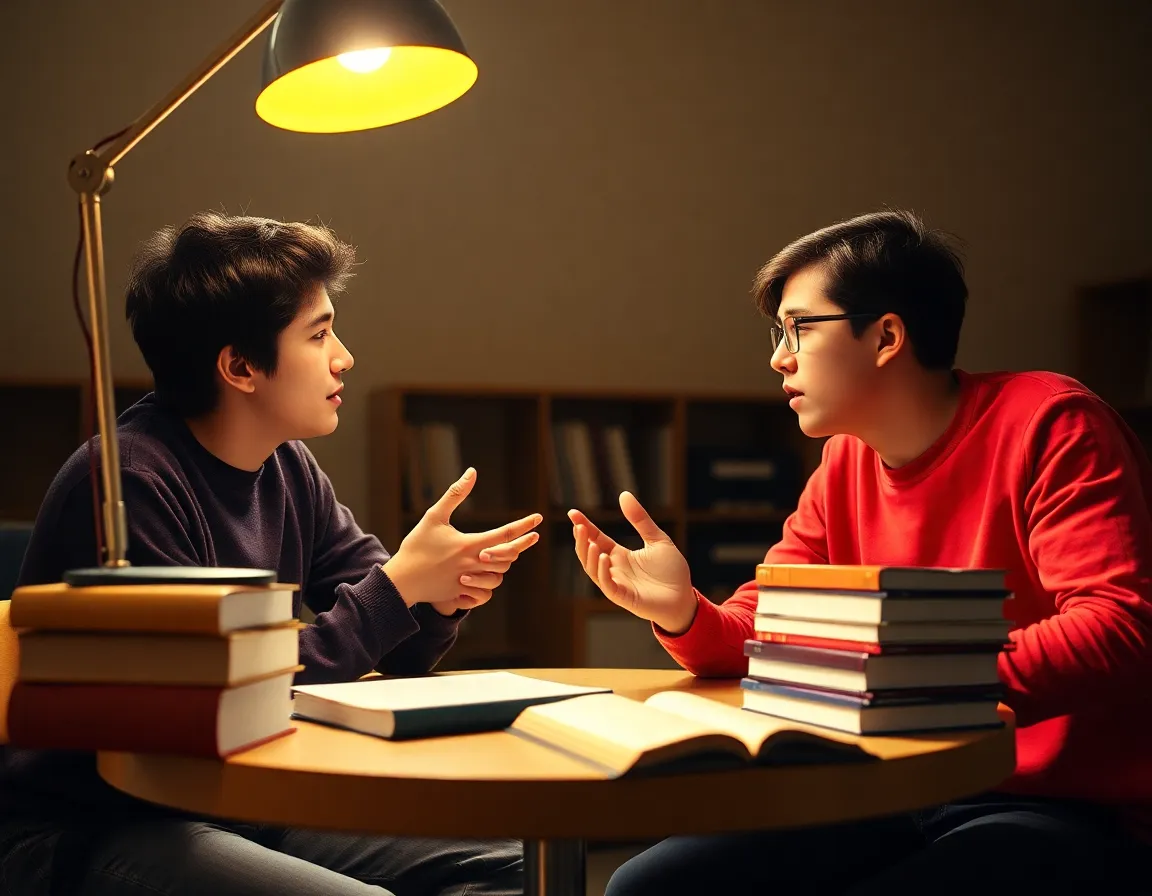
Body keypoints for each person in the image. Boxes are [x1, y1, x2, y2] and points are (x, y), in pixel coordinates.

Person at [570, 210, 1152, 892]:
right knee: (646, 886)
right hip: (886, 785)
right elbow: (763, 626)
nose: (777, 357)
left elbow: (1120, 624)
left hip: (1058, 801)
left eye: (800, 329)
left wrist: (908, 683)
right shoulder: (846, 460)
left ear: (886, 337)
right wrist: (682, 613)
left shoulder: (1050, 421)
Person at [0, 212, 532, 896]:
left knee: (512, 868)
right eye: (319, 334)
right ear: (240, 366)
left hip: (227, 802)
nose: (344, 356)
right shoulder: (127, 484)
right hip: (95, 825)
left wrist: (438, 591)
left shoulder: (288, 466)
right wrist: (399, 588)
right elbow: (224, 700)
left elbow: (388, 645)